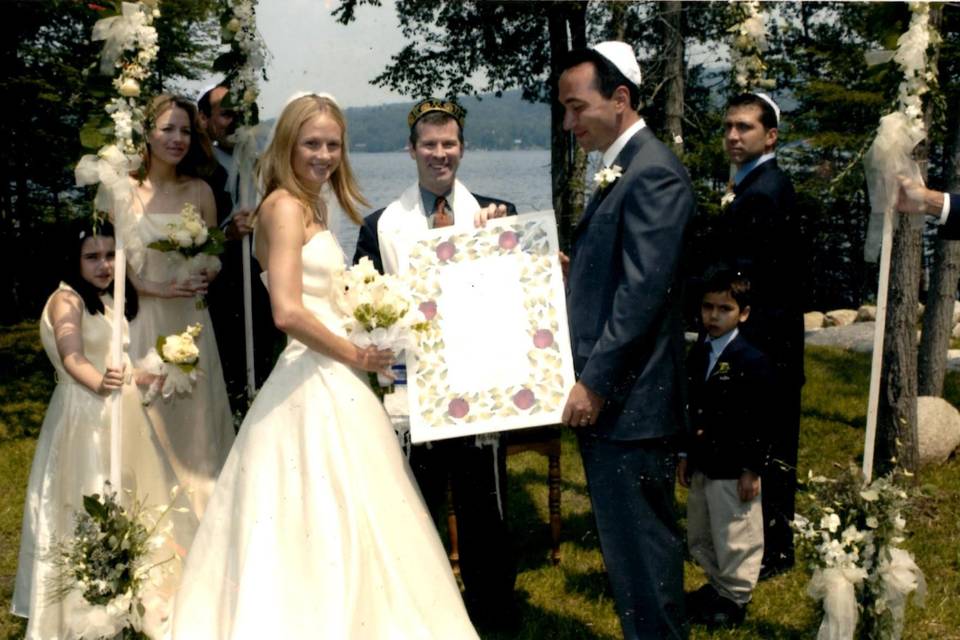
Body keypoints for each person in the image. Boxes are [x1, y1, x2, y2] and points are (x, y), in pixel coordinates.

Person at [171, 94, 479, 639]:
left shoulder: (312, 205)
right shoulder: (285, 208)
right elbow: (287, 310)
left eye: (333, 144)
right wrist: (357, 354)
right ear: (288, 142)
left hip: (333, 372)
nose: (324, 155)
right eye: (312, 143)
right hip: (310, 376)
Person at [353, 97, 519, 631]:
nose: (439, 154)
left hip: (477, 383)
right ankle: (420, 608)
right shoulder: (380, 226)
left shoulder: (498, 214)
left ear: (463, 150)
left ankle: (491, 606)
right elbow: (362, 305)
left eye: (449, 144)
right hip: (413, 385)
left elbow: (521, 295)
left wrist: (503, 239)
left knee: (483, 501)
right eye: (429, 144)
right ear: (411, 150)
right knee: (416, 499)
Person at [558, 42, 694, 639]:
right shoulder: (626, 167)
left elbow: (642, 296)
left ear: (619, 99)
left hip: (630, 407)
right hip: (621, 407)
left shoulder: (653, 171)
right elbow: (624, 272)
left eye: (576, 107)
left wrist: (592, 383)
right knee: (630, 563)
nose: (569, 123)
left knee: (644, 562)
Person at [12, 221, 197, 639]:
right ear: (74, 260)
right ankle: (85, 601)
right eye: (92, 257)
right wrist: (97, 382)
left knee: (131, 494)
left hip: (121, 412)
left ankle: (131, 591)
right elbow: (72, 353)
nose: (104, 265)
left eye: (110, 256)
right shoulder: (66, 300)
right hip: (85, 417)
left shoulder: (106, 301)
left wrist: (154, 373)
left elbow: (120, 365)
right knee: (89, 495)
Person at [126, 94, 235, 518]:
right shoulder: (125, 192)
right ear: (146, 133)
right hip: (146, 319)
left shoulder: (201, 190)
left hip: (192, 324)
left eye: (186, 130)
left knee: (197, 427)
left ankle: (208, 521)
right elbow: (110, 265)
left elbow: (214, 255)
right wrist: (156, 287)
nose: (177, 139)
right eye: (167, 128)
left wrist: (209, 272)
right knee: (149, 424)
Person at [711, 92, 804, 578]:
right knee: (769, 443)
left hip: (767, 343)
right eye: (728, 126)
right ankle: (771, 544)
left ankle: (773, 549)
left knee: (767, 445)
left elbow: (747, 277)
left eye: (744, 127)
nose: (732, 135)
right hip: (769, 339)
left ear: (770, 136)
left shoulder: (764, 193)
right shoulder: (756, 185)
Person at [678, 269, 772, 629]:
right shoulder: (698, 354)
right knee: (704, 529)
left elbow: (762, 419)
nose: (713, 316)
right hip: (704, 462)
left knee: (736, 533)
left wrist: (752, 467)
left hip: (734, 467)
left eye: (724, 309)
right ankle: (717, 585)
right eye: (707, 308)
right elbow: (690, 407)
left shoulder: (751, 360)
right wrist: (686, 455)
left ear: (743, 314)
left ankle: (735, 597)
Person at [198, 85, 283, 415]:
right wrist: (227, 233)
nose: (236, 122)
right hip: (223, 287)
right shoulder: (199, 170)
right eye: (226, 113)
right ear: (205, 119)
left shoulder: (260, 165)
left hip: (261, 281)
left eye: (242, 114)